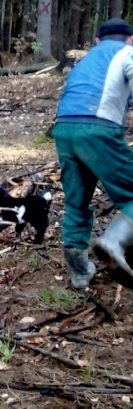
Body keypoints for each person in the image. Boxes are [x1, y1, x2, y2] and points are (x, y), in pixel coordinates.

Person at [53, 18, 133, 289]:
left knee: (76, 202)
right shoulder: (127, 53)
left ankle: (79, 273)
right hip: (97, 129)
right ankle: (113, 241)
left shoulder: (83, 61)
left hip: (63, 130)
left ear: (98, 40)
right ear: (130, 39)